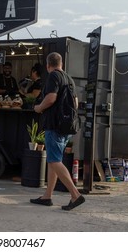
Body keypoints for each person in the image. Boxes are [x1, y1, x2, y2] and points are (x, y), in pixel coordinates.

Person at [31, 52, 85, 211]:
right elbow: (75, 102)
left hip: (54, 124)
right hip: (66, 126)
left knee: (54, 160)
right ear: (60, 63)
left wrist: (39, 108)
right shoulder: (69, 78)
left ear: (48, 65)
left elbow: (51, 98)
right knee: (54, 160)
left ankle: (75, 195)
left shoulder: (53, 76)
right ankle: (47, 196)